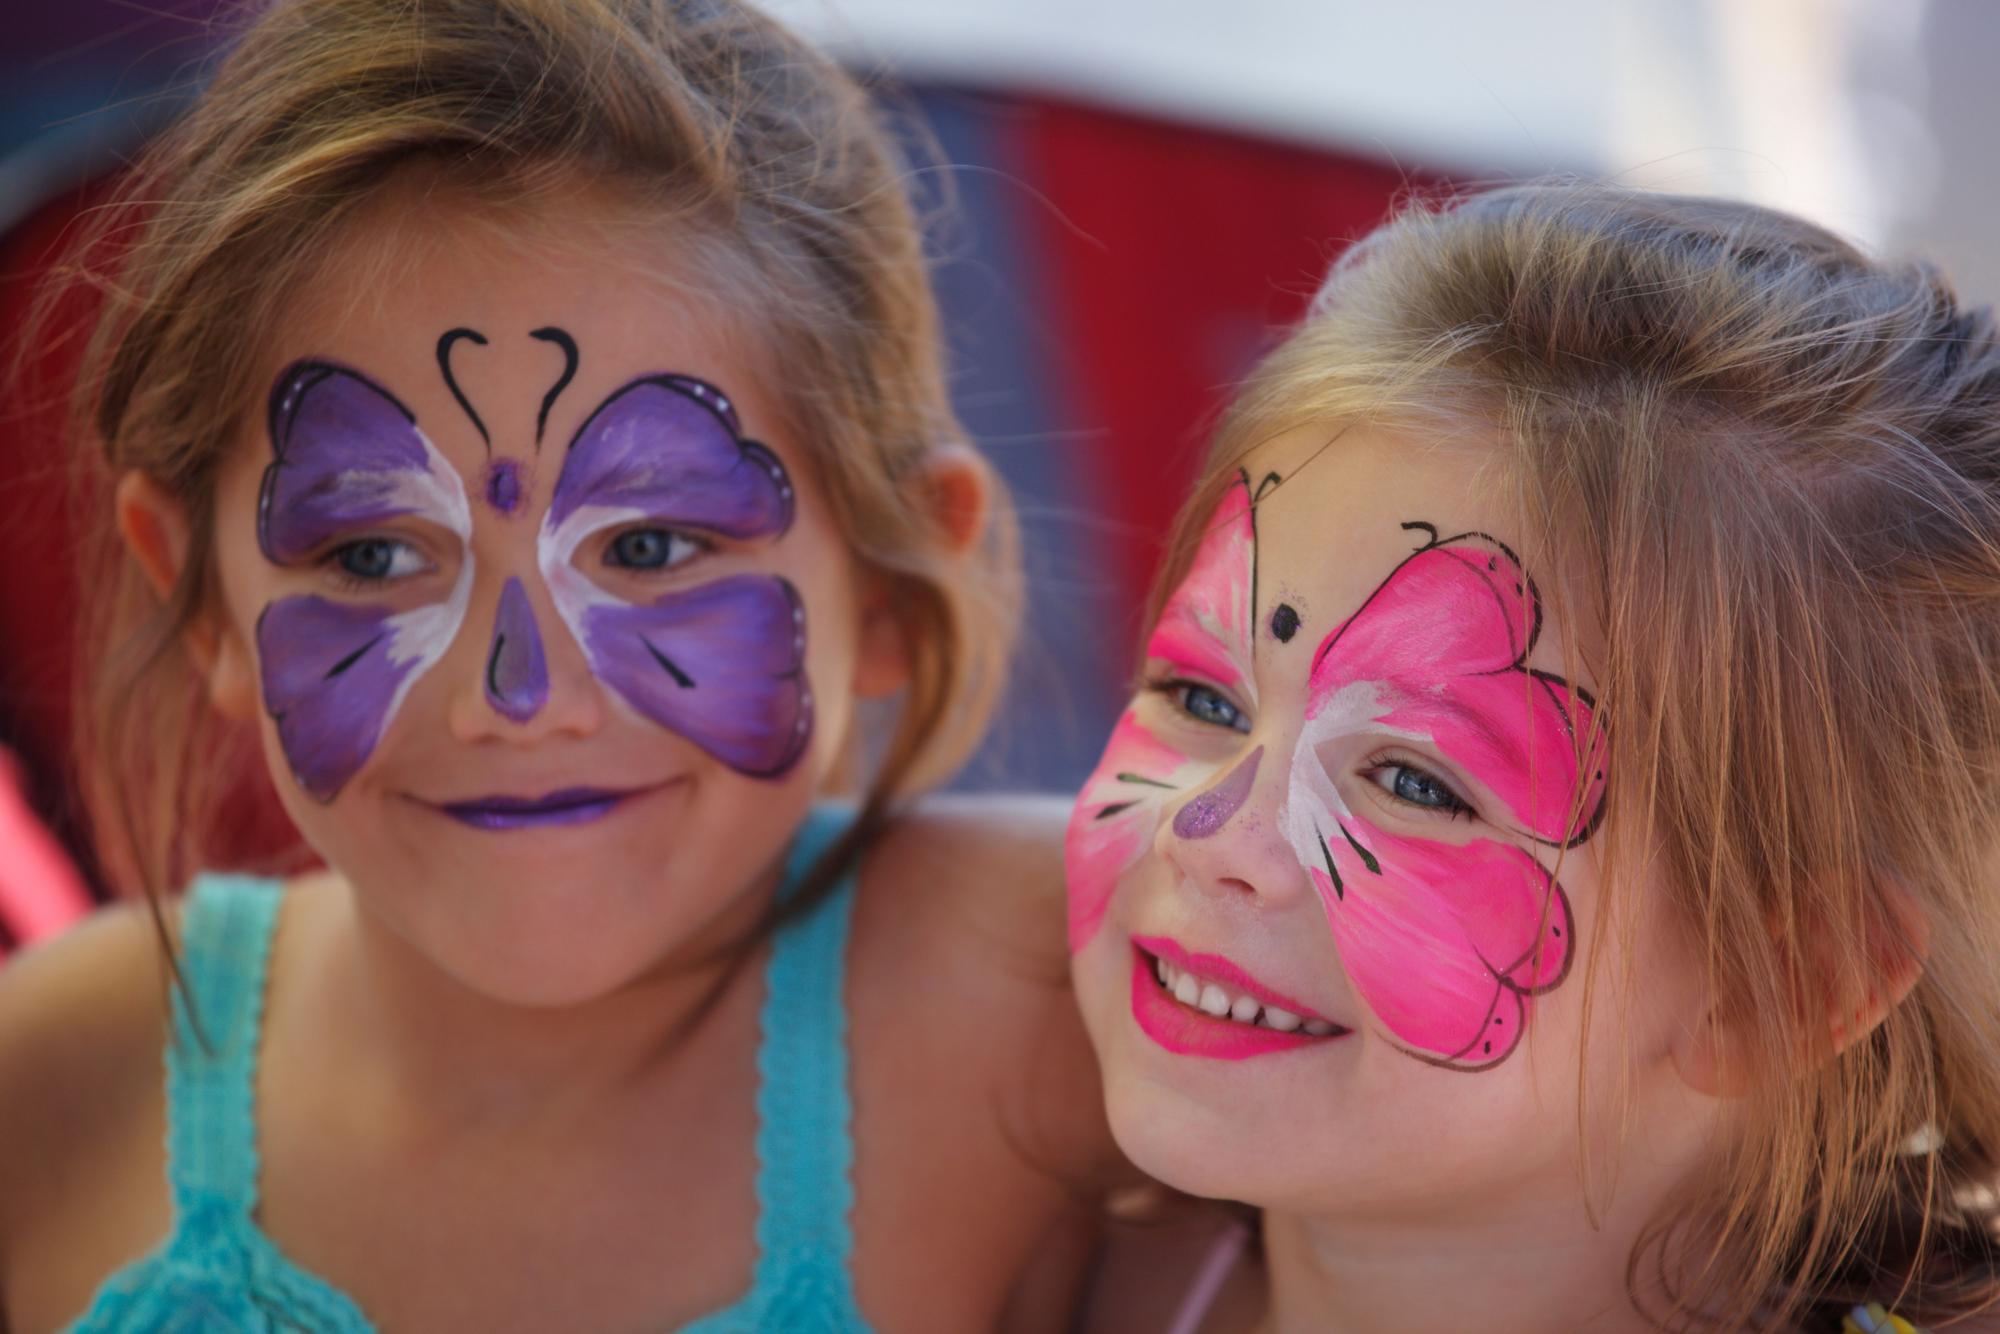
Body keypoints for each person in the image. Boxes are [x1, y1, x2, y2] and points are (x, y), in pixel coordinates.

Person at [0, 2, 1115, 1329]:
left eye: (649, 544)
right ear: (203, 602)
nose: (513, 696)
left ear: (887, 576)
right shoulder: (69, 1069)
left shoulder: (1057, 1007)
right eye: (371, 555)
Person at [1065, 184, 2000, 1332]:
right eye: (1199, 694)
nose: (1204, 834)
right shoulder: (1026, 1263)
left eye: (1413, 781)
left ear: (1789, 982)